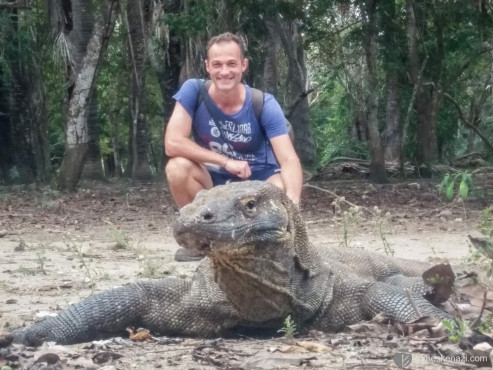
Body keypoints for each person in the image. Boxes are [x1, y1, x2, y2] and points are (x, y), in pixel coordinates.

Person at [164, 32, 303, 210]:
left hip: (259, 180)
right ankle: (199, 233)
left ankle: (265, 233)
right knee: (177, 168)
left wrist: (293, 204)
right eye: (217, 64)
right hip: (213, 181)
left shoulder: (263, 103)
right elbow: (172, 143)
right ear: (207, 66)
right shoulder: (193, 91)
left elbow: (289, 159)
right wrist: (226, 162)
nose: (224, 72)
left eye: (231, 64)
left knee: (279, 189)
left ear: (243, 65)